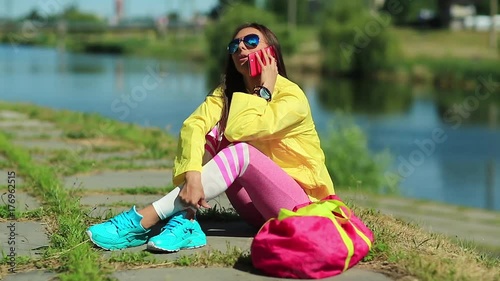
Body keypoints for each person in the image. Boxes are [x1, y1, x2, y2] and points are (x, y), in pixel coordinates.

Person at [86, 22, 335, 252]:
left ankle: (143, 219)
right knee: (214, 136)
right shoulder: (226, 94)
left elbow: (242, 129)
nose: (241, 48)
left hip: (302, 209)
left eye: (250, 41)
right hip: (257, 211)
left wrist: (264, 90)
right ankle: (187, 221)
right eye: (234, 45)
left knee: (238, 147)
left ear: (271, 52)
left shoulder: (292, 97)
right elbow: (193, 126)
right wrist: (193, 174)